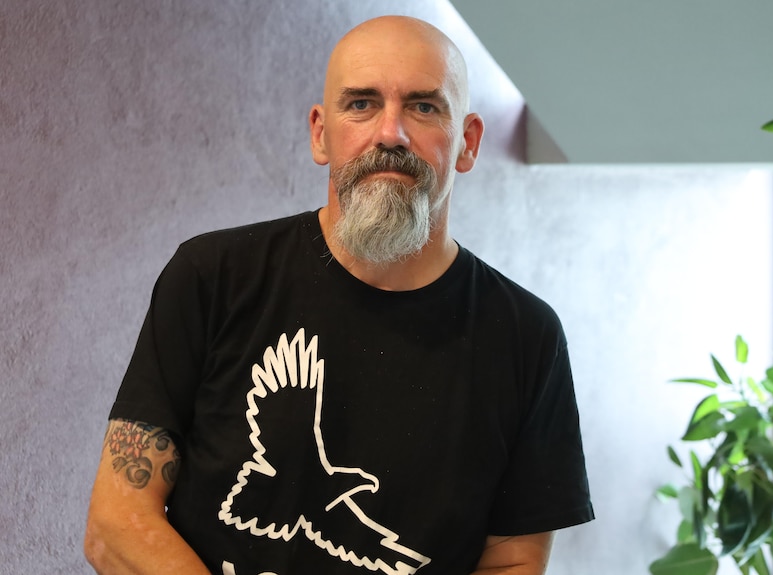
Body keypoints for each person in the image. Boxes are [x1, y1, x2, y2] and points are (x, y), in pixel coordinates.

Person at [84, 15, 594, 575]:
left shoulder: (526, 336)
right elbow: (117, 526)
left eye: (424, 107)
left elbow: (510, 563)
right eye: (361, 104)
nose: (390, 133)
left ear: (468, 142)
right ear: (320, 133)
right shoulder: (214, 276)